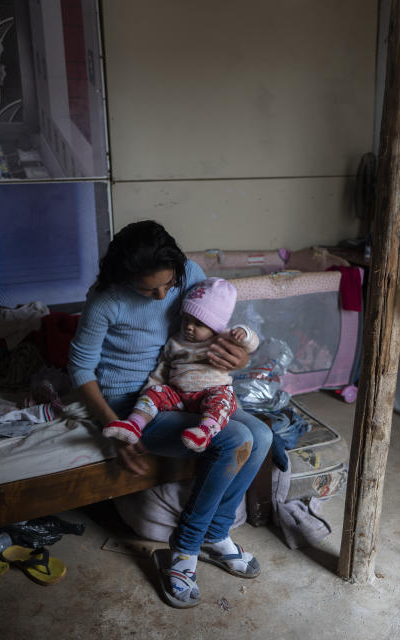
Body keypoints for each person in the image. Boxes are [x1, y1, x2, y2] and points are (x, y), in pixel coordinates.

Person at [67, 220, 271, 608]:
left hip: (187, 386)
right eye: (149, 289)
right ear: (125, 277)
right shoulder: (105, 300)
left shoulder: (190, 274)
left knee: (262, 435)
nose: (163, 296)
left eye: (168, 285)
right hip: (136, 402)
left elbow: (218, 324)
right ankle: (183, 549)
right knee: (236, 439)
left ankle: (214, 533)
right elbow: (79, 368)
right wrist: (112, 421)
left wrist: (240, 355)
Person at [104, 277, 260, 453]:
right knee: (154, 393)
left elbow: (251, 345)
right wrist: (150, 391)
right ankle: (133, 425)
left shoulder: (223, 337)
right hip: (178, 396)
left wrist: (244, 334)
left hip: (211, 392)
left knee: (222, 400)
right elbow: (163, 368)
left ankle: (204, 431)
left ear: (215, 326)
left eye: (198, 324)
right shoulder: (176, 341)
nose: (189, 327)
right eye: (186, 319)